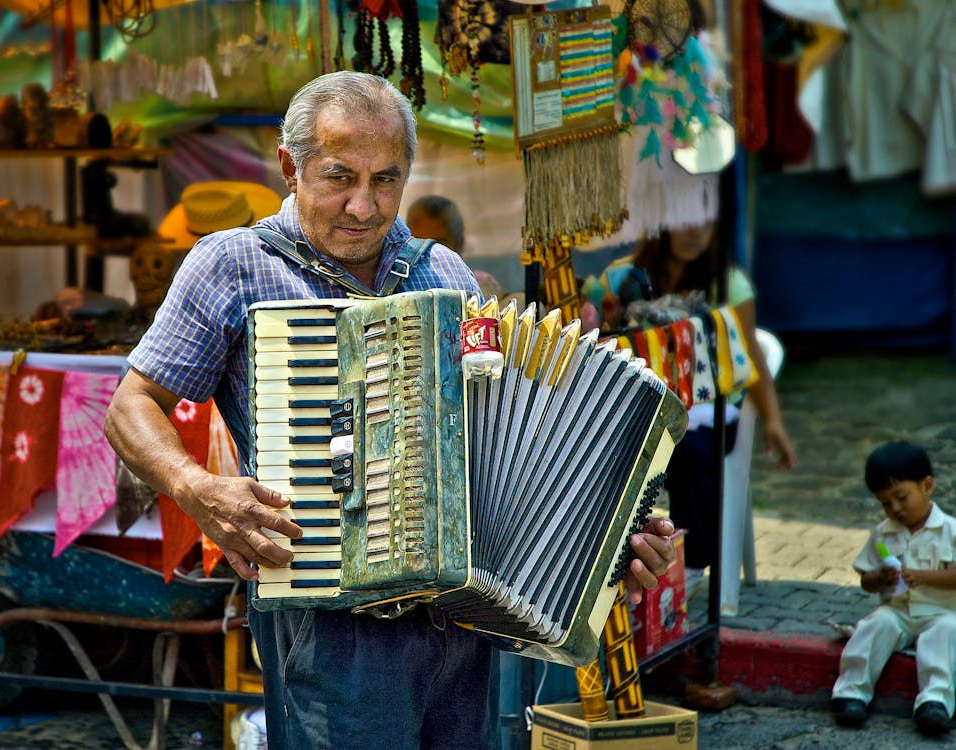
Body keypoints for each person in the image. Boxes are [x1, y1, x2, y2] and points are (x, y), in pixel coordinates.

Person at [104, 70, 677, 750]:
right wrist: (197, 488)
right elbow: (130, 406)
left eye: (386, 180)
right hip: (329, 627)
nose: (363, 206)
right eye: (338, 177)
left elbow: (508, 449)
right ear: (289, 166)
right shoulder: (232, 265)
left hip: (464, 622)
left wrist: (615, 541)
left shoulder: (447, 276)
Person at [600, 222, 797, 586]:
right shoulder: (622, 278)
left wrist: (773, 420)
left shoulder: (728, 283)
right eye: (685, 223)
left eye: (706, 225)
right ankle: (609, 566)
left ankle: (692, 566)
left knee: (689, 451)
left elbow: (751, 354)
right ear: (663, 223)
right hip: (645, 409)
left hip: (712, 411)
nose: (695, 234)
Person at [831, 441, 956, 735]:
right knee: (873, 625)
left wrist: (924, 577)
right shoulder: (882, 532)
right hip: (897, 610)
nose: (895, 508)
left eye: (901, 497)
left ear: (927, 486)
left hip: (941, 611)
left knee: (947, 633)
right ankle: (851, 692)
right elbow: (865, 580)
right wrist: (880, 577)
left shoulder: (950, 530)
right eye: (886, 502)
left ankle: (935, 701)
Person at [406, 194, 506, 301]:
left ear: (460, 243)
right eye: (419, 244)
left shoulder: (480, 287)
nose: (430, 253)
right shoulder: (399, 287)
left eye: (440, 244)